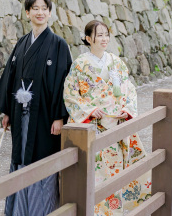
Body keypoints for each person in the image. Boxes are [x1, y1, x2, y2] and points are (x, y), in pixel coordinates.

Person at [0, 0, 73, 216]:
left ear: (49, 13)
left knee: (41, 158)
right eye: (35, 8)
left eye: (44, 8)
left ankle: (41, 211)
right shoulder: (23, 43)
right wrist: (7, 111)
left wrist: (59, 116)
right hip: (21, 114)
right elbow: (11, 77)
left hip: (45, 115)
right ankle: (18, 211)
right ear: (27, 13)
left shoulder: (58, 45)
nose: (40, 12)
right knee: (21, 156)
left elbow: (64, 82)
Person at [63, 20, 152, 216]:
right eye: (99, 35)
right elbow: (70, 94)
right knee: (96, 174)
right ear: (88, 39)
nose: (104, 39)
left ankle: (118, 211)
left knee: (116, 172)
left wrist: (127, 109)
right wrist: (89, 110)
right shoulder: (80, 64)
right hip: (93, 125)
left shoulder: (116, 62)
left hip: (116, 125)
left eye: (106, 34)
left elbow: (128, 88)